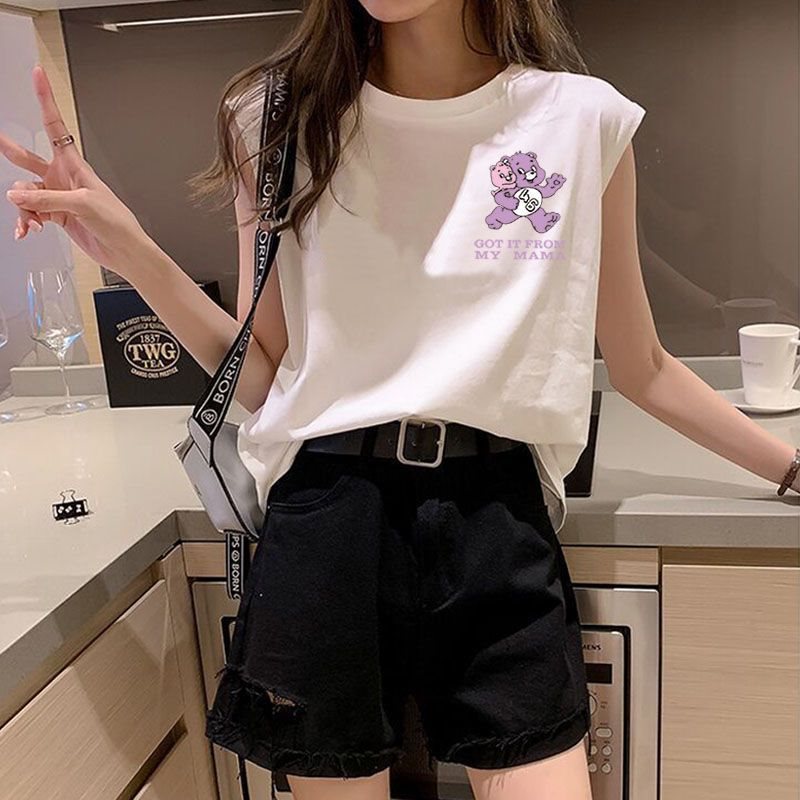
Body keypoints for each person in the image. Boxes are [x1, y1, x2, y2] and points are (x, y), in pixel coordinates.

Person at [4, 2, 800, 799]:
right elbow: (265, 374)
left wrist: (791, 468)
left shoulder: (583, 122)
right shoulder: (276, 118)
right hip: (327, 521)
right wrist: (131, 252)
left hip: (497, 519)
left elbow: (644, 366)